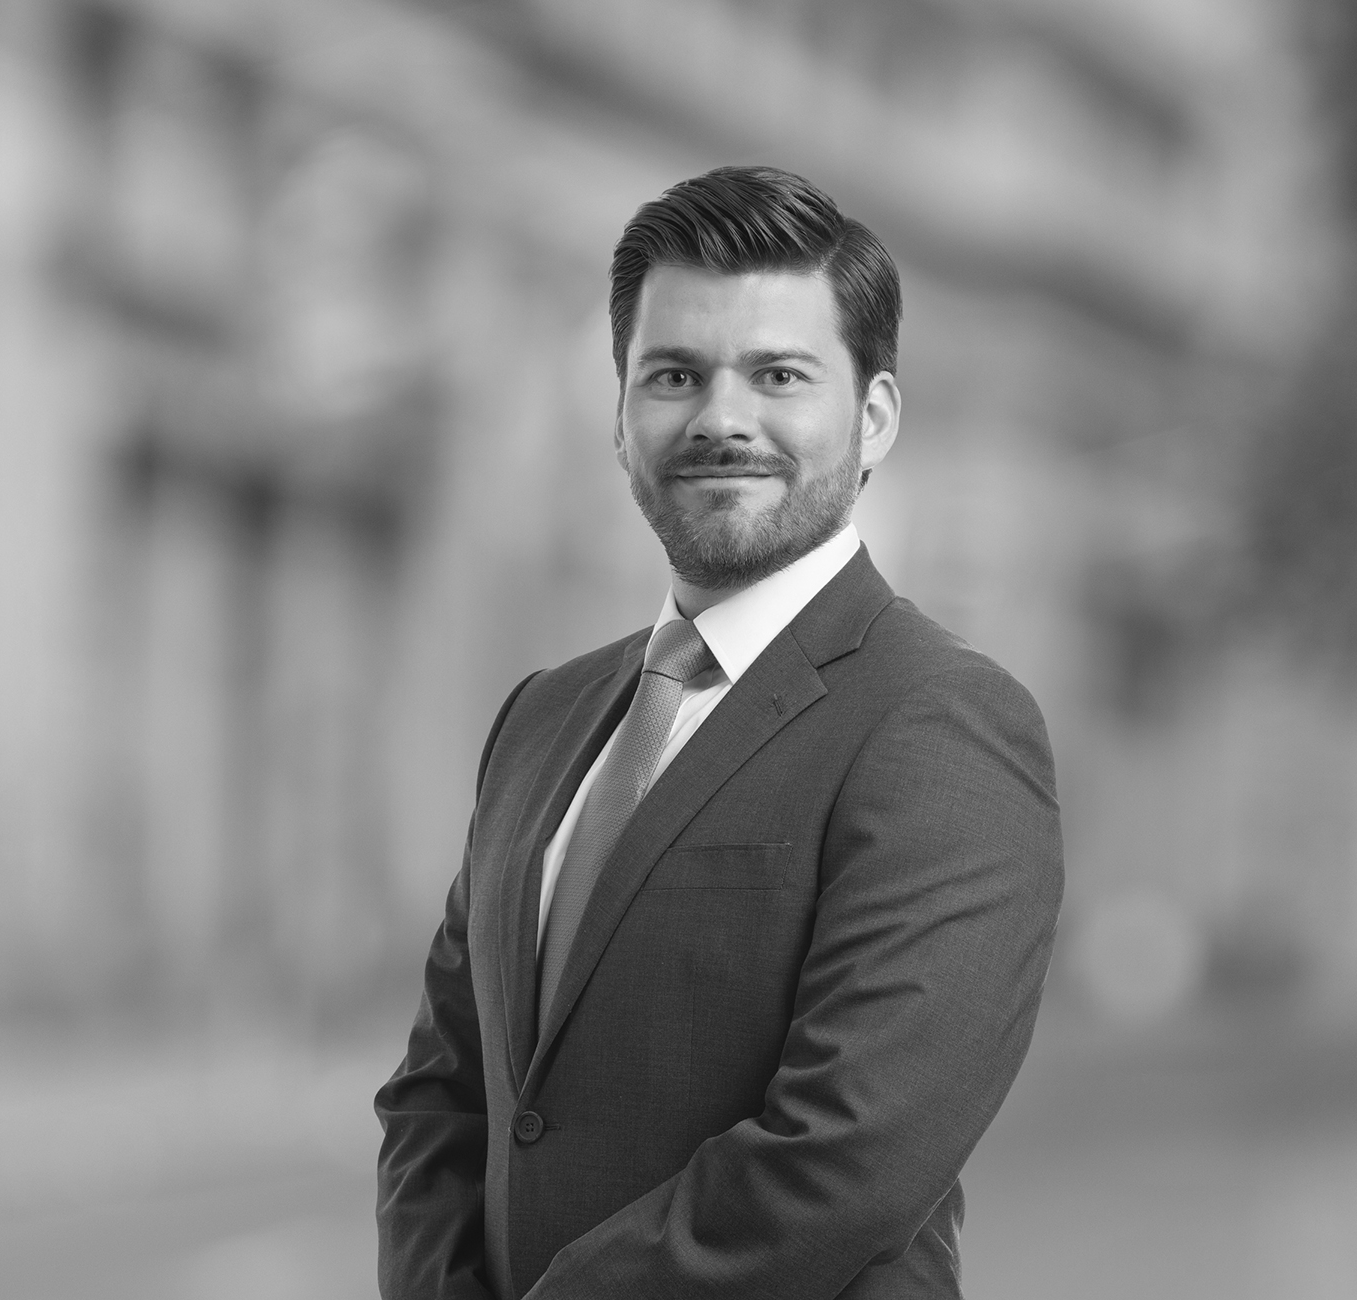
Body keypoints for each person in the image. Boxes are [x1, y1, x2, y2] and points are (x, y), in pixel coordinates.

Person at [375, 164, 1064, 1300]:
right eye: (674, 375)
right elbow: (440, 1096)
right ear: (619, 416)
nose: (719, 419)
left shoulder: (940, 722)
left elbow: (848, 1157)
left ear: (873, 417)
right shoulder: (542, 717)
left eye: (777, 375)